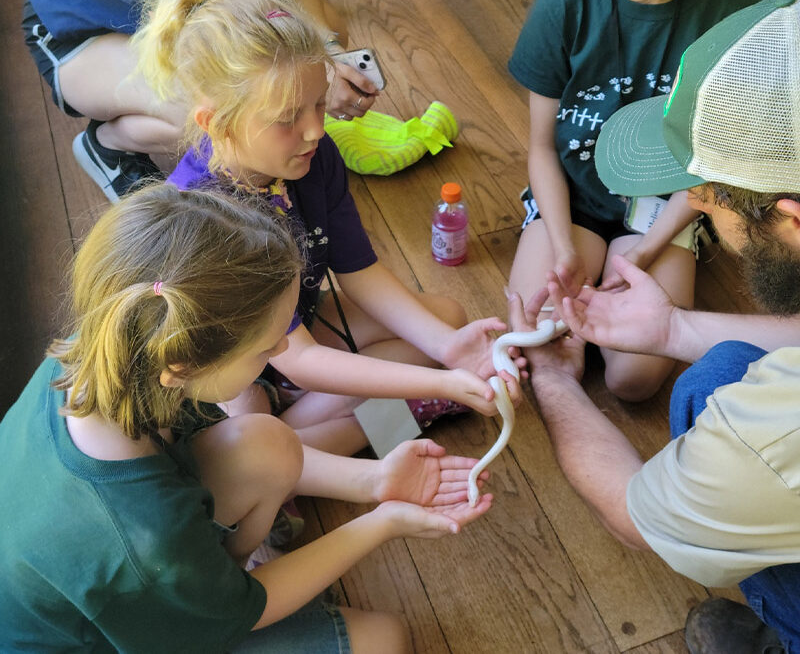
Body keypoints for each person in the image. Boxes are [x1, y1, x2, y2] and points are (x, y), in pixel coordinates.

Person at [0, 182, 495, 653]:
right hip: (119, 630)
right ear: (184, 366)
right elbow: (251, 608)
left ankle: (210, 576)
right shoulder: (147, 539)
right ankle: (211, 580)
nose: (283, 349)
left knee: (269, 441)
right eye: (266, 348)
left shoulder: (102, 357)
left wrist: (375, 480)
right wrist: (382, 524)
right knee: (383, 639)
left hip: (127, 578)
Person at [514, 0, 800, 652]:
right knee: (716, 373)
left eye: (707, 189)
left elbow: (635, 514)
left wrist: (555, 382)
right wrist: (672, 330)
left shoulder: (776, 428)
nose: (693, 198)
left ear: (787, 216)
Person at [133, 0, 522, 456]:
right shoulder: (204, 214)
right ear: (216, 122)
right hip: (236, 374)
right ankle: (291, 448)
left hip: (291, 334)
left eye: (319, 103)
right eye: (288, 117)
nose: (316, 129)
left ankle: (308, 440)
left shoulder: (314, 156)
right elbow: (298, 358)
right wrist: (441, 381)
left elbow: (358, 271)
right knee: (256, 434)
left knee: (448, 321)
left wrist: (449, 351)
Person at [505, 0, 759, 402]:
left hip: (668, 201)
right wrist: (563, 247)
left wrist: (644, 253)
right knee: (533, 345)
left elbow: (712, 165)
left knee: (633, 380)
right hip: (572, 195)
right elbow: (542, 148)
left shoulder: (732, 12)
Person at [21, 0, 379, 203]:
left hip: (209, 2)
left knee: (325, 30)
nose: (318, 129)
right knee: (205, 106)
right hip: (84, 27)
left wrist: (327, 52)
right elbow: (198, 38)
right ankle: (109, 144)